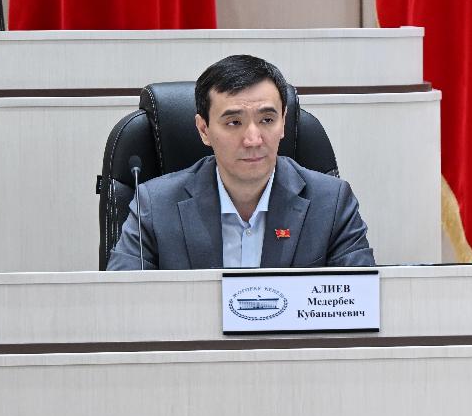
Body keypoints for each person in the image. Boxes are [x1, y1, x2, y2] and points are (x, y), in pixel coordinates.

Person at [107, 54, 375, 270]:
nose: (253, 139)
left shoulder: (331, 203)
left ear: (283, 122)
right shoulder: (155, 205)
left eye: (267, 120)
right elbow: (123, 304)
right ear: (203, 129)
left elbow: (359, 302)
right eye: (234, 122)